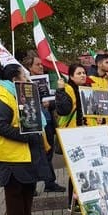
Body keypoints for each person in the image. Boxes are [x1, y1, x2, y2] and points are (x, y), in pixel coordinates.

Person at [0, 64, 50, 215]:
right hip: (11, 153)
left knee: (29, 186)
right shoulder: (1, 95)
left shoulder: (21, 93)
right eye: (25, 76)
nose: (28, 79)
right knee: (15, 189)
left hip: (27, 150)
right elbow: (1, 126)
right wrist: (27, 135)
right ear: (15, 79)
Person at [23, 53, 65, 193]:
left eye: (41, 64)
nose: (41, 66)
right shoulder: (24, 82)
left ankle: (49, 182)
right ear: (29, 66)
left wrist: (50, 103)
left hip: (48, 122)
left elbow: (54, 100)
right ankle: (32, 185)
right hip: (35, 124)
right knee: (36, 154)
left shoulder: (45, 81)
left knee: (48, 153)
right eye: (38, 64)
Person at [56, 63, 89, 209]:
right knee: (76, 167)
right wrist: (61, 90)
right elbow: (64, 109)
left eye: (84, 73)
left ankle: (81, 199)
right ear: (71, 76)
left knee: (83, 167)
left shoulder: (85, 89)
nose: (83, 75)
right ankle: (73, 202)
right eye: (79, 73)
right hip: (71, 134)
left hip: (84, 133)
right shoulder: (68, 89)